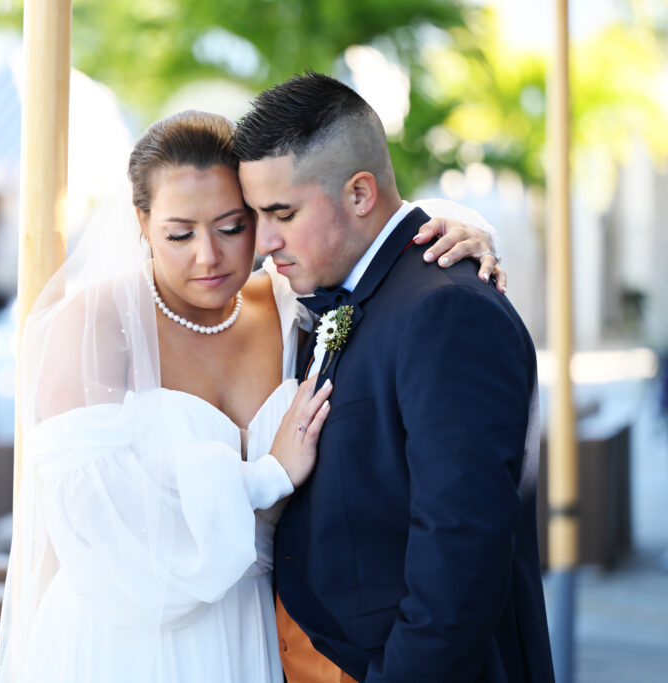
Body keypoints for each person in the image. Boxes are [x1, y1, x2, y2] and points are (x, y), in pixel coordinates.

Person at [0, 109, 503, 683]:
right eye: (179, 234)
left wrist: (461, 230)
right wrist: (267, 475)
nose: (207, 256)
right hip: (136, 638)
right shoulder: (95, 323)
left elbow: (367, 233)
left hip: (261, 631)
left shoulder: (290, 304)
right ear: (142, 221)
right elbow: (99, 525)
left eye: (232, 227)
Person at [235, 72, 554, 683]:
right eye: (255, 215)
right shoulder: (346, 288)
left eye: (282, 213)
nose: (264, 241)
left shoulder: (446, 308)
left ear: (360, 194)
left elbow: (461, 552)